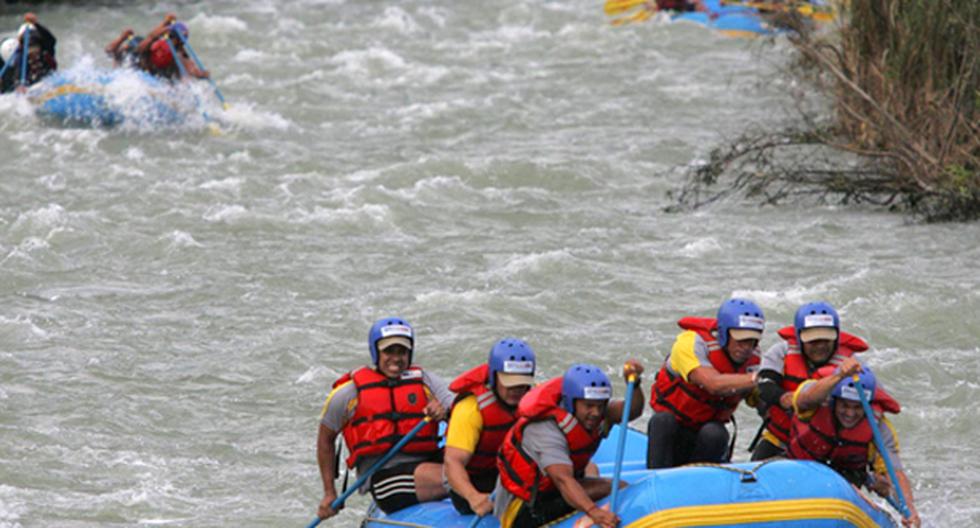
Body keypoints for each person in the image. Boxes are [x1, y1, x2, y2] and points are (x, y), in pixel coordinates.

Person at [315, 317, 454, 520]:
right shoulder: (349, 394)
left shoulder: (426, 381)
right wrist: (329, 492)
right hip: (386, 478)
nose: (396, 358)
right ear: (375, 352)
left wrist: (446, 411)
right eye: (389, 351)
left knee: (480, 465)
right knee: (460, 478)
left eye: (402, 351)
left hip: (428, 462)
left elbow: (459, 410)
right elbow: (325, 439)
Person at [495, 361, 645, 528]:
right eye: (589, 406)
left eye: (600, 405)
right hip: (526, 507)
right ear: (570, 403)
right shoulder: (544, 428)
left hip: (554, 490)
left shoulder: (593, 413)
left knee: (591, 468)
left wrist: (635, 384)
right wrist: (594, 512)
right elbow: (563, 480)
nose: (595, 413)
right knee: (616, 487)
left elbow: (631, 411)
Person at [787, 358, 920, 528]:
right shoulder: (818, 397)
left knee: (878, 483)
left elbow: (895, 472)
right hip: (798, 466)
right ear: (835, 401)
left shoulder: (879, 427)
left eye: (857, 407)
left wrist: (909, 509)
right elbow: (803, 400)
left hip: (847, 478)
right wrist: (841, 375)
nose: (850, 413)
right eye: (845, 405)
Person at [647, 298, 764, 469]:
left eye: (752, 341)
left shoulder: (753, 361)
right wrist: (758, 379)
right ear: (724, 333)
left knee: (715, 433)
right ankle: (656, 479)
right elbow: (713, 384)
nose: (747, 347)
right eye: (741, 340)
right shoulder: (690, 343)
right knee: (663, 421)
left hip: (708, 441)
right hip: (672, 435)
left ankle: (700, 483)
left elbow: (762, 401)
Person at [752, 301, 869, 460]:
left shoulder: (852, 364)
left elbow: (873, 407)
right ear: (799, 337)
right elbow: (765, 384)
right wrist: (785, 398)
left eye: (826, 340)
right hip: (782, 440)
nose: (820, 346)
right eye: (813, 341)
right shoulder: (782, 351)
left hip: (826, 449)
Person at [444, 338, 536, 516]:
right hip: (477, 482)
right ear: (494, 377)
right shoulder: (471, 409)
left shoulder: (534, 399)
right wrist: (473, 497)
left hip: (511, 474)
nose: (517, 388)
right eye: (509, 381)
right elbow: (452, 462)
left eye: (522, 381)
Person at [132, 14, 209, 80]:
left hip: (160, 74)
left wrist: (201, 74)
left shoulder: (179, 51)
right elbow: (149, 39)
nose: (177, 42)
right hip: (143, 69)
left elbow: (190, 66)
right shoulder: (157, 41)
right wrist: (166, 24)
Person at [1, 13, 57, 94]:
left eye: (35, 45)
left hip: (49, 82)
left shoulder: (47, 50)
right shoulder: (20, 57)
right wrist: (19, 85)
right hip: (33, 87)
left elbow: (51, 40)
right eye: (30, 46)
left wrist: (35, 23)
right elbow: (18, 73)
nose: (32, 50)